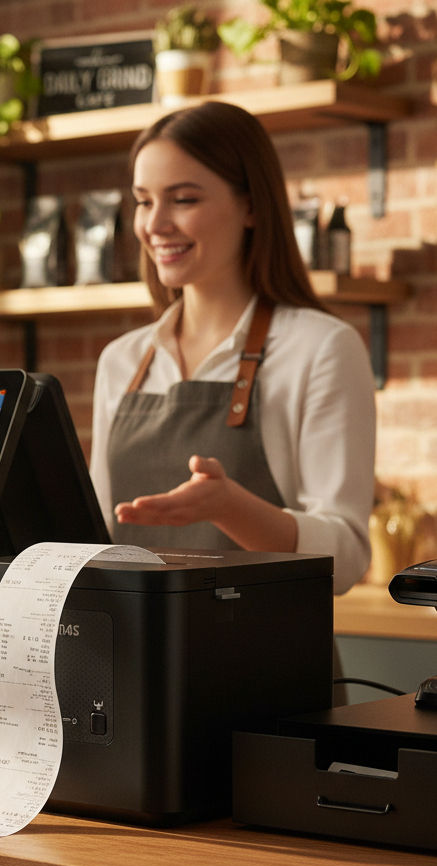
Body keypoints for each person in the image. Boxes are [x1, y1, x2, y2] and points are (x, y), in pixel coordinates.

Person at [89, 101, 375, 595]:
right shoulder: (123, 360)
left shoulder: (322, 348)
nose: (154, 225)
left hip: (268, 666)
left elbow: (346, 557)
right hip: (133, 664)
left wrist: (230, 508)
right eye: (143, 201)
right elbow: (93, 537)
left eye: (183, 199)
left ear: (250, 206)